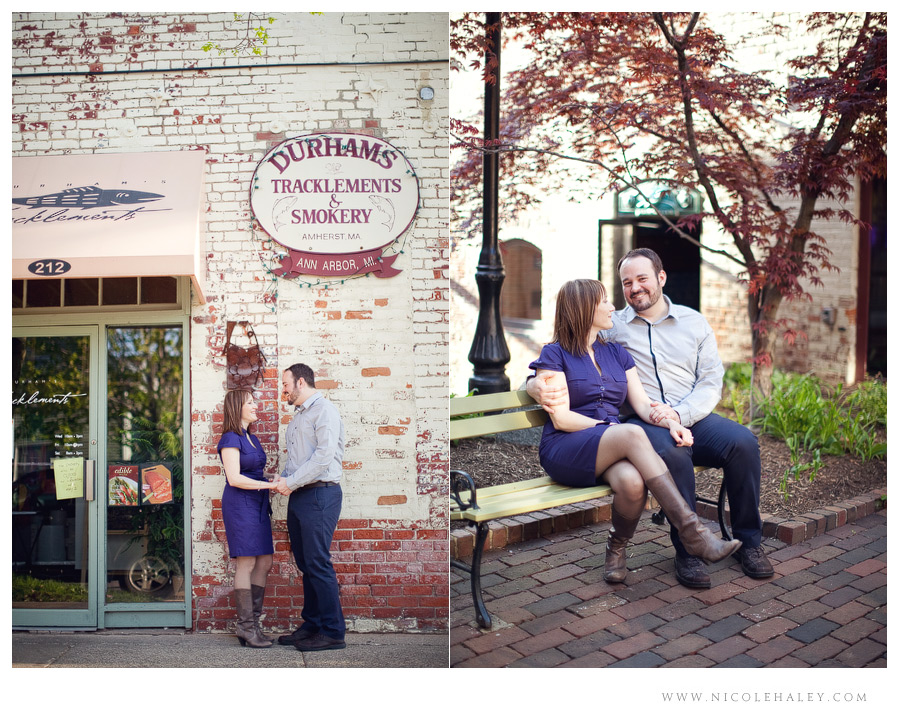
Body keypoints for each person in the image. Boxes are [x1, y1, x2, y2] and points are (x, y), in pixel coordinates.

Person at [530, 248, 774, 589]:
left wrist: (676, 420)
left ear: (661, 277)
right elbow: (558, 392)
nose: (628, 292)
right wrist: (533, 385)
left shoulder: (658, 334)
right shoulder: (600, 333)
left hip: (672, 419)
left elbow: (686, 390)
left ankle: (747, 543)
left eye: (641, 279)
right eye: (624, 284)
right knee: (658, 446)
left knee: (738, 444)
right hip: (603, 435)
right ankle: (692, 542)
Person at [272, 363, 347, 652]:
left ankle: (333, 632)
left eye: (286, 384)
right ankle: (313, 625)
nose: (284, 390)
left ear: (300, 382)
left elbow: (324, 458)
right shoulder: (299, 416)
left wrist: (290, 483)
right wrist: (284, 479)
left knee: (317, 562)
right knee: (305, 563)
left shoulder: (324, 411)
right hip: (300, 494)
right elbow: (298, 460)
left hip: (320, 494)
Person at [217, 390, 276, 648]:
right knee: (247, 561)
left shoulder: (252, 438)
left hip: (258, 503)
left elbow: (255, 474)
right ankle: (246, 627)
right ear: (237, 407)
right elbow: (235, 478)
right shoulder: (230, 438)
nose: (255, 405)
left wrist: (273, 480)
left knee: (265, 561)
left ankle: (253, 625)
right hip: (240, 505)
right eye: (250, 402)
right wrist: (269, 486)